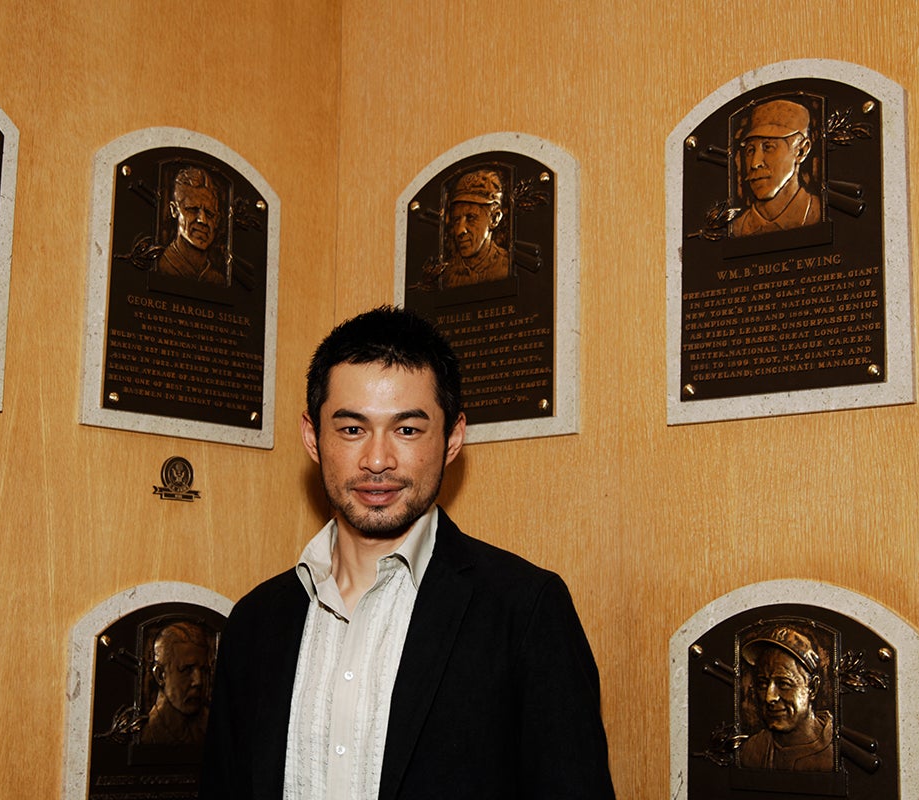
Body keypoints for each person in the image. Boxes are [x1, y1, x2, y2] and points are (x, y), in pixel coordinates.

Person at [201, 306, 614, 799]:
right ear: (313, 437)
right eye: (352, 429)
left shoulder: (524, 611)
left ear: (453, 438)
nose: (378, 460)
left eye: (407, 430)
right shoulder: (254, 622)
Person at [739, 625, 835, 771]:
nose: (769, 697)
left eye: (784, 684)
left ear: (813, 688)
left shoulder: (838, 751)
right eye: (763, 684)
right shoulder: (751, 750)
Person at [729, 98, 821, 237]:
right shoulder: (736, 228)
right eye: (750, 150)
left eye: (768, 147)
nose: (755, 163)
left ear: (801, 151)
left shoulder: (819, 212)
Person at [141, 621, 214, 745]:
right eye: (187, 669)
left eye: (203, 670)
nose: (199, 681)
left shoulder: (211, 728)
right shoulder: (147, 733)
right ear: (160, 676)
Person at [440, 169, 511, 289]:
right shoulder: (445, 276)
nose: (460, 231)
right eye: (456, 219)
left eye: (471, 217)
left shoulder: (508, 267)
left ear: (494, 219)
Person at [156, 167, 226, 285]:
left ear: (217, 220)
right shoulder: (160, 265)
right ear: (174, 211)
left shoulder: (218, 280)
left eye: (209, 213)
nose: (202, 220)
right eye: (192, 209)